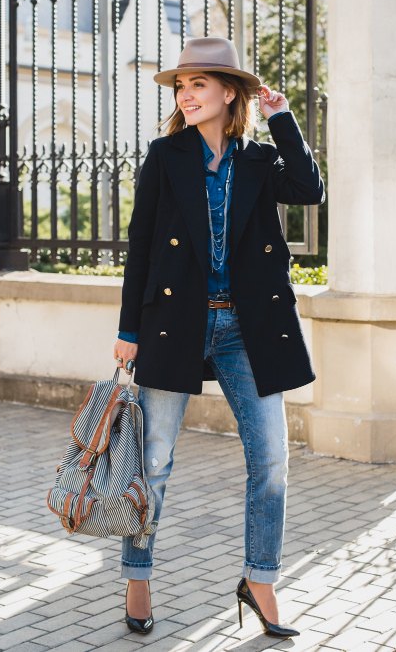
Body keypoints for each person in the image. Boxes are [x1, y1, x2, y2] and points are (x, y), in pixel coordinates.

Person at [112, 36, 324, 639]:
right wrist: (129, 330)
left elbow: (310, 189)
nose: (186, 94)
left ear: (230, 93)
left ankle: (259, 581)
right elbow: (141, 249)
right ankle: (138, 574)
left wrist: (281, 118)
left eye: (198, 84)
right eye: (181, 86)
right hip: (173, 321)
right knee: (152, 464)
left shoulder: (258, 159)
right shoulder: (165, 155)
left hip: (246, 328)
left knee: (272, 460)